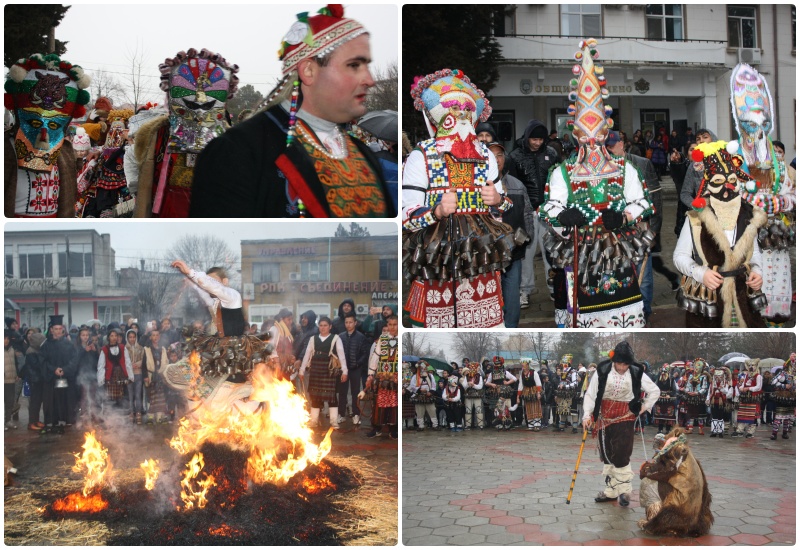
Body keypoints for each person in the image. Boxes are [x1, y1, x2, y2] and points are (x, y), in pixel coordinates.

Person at [191, 6, 392, 218]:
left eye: (366, 65)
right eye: (354, 65)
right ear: (308, 71)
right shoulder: (236, 152)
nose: (370, 80)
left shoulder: (364, 153)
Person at [539, 40, 653, 328]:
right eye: (585, 137)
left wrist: (625, 215)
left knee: (621, 311)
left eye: (598, 135)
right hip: (578, 249)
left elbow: (642, 202)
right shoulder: (562, 172)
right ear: (576, 134)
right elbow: (549, 207)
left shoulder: (623, 169)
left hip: (616, 252)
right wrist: (562, 218)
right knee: (580, 314)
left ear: (607, 133)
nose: (591, 142)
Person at [403, 68, 515, 328]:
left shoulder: (485, 154)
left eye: (467, 110)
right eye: (455, 109)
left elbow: (504, 207)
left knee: (487, 325)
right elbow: (406, 217)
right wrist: (437, 212)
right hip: (438, 257)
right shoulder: (422, 155)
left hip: (481, 255)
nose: (462, 115)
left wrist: (498, 200)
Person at [129, 48, 238, 217]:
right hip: (168, 210)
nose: (200, 98)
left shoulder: (229, 141)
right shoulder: (159, 135)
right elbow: (146, 183)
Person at [673, 140, 767, 328]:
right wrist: (700, 273)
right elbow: (679, 256)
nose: (727, 188)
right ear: (708, 185)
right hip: (709, 298)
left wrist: (757, 270)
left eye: (732, 181)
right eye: (718, 182)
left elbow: (754, 252)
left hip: (742, 295)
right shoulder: (695, 218)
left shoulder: (749, 215)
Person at [730, 64, 795, 326]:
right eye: (751, 123)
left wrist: (778, 201)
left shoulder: (778, 161)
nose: (757, 129)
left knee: (774, 297)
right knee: (746, 296)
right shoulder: (731, 157)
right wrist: (750, 201)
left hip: (773, 239)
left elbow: (791, 195)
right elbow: (723, 196)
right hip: (743, 238)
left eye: (763, 123)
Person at [4, 53, 90, 217]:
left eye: (53, 124)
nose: (44, 133)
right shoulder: (6, 149)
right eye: (35, 123)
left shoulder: (65, 152)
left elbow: (67, 200)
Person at [582, 341, 660, 506]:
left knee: (622, 453)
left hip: (625, 416)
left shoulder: (636, 372)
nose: (622, 367)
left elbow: (654, 391)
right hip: (603, 417)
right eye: (619, 363)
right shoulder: (602, 370)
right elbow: (591, 394)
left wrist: (644, 407)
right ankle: (611, 490)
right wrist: (587, 415)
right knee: (608, 453)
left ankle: (624, 492)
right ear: (613, 361)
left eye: (626, 364)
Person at [508, 119, 560, 304]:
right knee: (526, 253)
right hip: (526, 212)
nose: (537, 143)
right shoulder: (515, 156)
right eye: (534, 139)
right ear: (527, 137)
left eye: (541, 139)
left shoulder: (551, 153)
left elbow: (559, 180)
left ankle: (554, 286)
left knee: (551, 251)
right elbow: (512, 187)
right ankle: (525, 290)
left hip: (547, 210)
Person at [490, 141, 533, 324]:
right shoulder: (475, 187)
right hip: (487, 256)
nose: (496, 159)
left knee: (512, 296)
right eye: (491, 155)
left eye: (499, 155)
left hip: (513, 252)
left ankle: (511, 326)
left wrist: (526, 238)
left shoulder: (516, 185)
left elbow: (527, 214)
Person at [172, 262, 245, 337]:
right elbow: (205, 294)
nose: (208, 285)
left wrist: (190, 273)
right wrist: (190, 281)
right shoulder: (215, 301)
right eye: (208, 281)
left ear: (225, 281)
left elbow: (215, 288)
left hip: (233, 346)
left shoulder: (233, 295)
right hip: (220, 345)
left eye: (213, 281)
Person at [300, 316, 348, 430]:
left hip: (329, 371)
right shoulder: (313, 339)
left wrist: (344, 371)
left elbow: (342, 357)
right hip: (315, 370)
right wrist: (301, 370)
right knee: (315, 397)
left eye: (325, 325)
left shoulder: (336, 338)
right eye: (321, 325)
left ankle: (334, 422)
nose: (323, 328)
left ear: (330, 327)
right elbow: (307, 355)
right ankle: (314, 421)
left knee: (332, 397)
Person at [40, 315, 78, 432]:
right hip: (51, 379)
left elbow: (74, 360)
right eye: (55, 329)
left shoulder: (69, 344)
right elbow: (42, 361)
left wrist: (65, 369)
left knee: (64, 400)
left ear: (63, 329)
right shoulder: (46, 345)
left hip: (65, 378)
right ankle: (51, 423)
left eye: (59, 329)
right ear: (51, 330)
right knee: (51, 402)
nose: (57, 331)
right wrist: (53, 369)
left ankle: (64, 422)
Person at [365, 314, 399, 438]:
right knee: (379, 402)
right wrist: (370, 375)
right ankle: (377, 428)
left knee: (394, 403)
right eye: (390, 324)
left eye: (395, 324)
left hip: (395, 378)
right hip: (382, 377)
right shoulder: (382, 339)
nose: (392, 327)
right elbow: (375, 357)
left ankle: (393, 429)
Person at [339, 312, 369, 426]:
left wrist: (357, 364)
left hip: (356, 369)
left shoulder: (361, 337)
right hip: (343, 369)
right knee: (342, 392)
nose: (348, 324)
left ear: (355, 323)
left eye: (351, 322)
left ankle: (356, 415)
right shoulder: (340, 337)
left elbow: (364, 354)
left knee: (355, 392)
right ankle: (341, 415)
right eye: (346, 322)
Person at [97, 328, 133, 411]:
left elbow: (127, 363)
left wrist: (130, 376)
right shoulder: (104, 349)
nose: (114, 338)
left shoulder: (122, 348)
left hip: (121, 376)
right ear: (108, 337)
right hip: (110, 376)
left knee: (121, 398)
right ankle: (111, 418)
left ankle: (121, 418)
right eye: (112, 336)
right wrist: (101, 380)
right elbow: (101, 366)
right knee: (110, 398)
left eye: (115, 336)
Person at [19, 332, 47, 431]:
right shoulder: (31, 352)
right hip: (35, 380)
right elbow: (37, 366)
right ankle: (31, 422)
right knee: (34, 402)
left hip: (38, 379)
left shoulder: (36, 350)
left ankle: (36, 420)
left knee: (38, 401)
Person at [142, 329, 169, 423]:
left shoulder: (163, 349)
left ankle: (160, 417)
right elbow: (143, 364)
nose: (155, 337)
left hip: (161, 376)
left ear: (159, 336)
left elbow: (166, 362)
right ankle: (150, 417)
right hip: (151, 375)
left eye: (157, 335)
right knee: (151, 397)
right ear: (150, 337)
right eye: (153, 335)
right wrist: (145, 376)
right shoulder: (146, 349)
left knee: (161, 397)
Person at [733, 359, 762, 438]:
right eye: (749, 366)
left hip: (753, 398)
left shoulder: (758, 376)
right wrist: (741, 388)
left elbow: (758, 387)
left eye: (752, 365)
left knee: (753, 415)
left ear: (756, 366)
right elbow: (742, 385)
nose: (751, 367)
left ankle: (751, 432)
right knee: (742, 414)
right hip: (745, 398)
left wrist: (748, 388)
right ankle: (739, 430)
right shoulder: (746, 375)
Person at [770, 354, 795, 440]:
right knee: (779, 415)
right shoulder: (783, 373)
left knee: (788, 416)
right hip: (782, 397)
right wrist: (784, 386)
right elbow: (773, 382)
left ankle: (785, 433)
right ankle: (774, 433)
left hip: (792, 397)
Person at [408, 360, 438, 431]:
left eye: (424, 368)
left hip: (429, 396)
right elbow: (412, 386)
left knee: (432, 410)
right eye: (421, 368)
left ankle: (435, 425)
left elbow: (434, 385)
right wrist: (419, 390)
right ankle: (421, 425)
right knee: (419, 411)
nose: (423, 369)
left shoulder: (430, 376)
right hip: (419, 396)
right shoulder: (415, 376)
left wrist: (430, 392)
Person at [682, 362, 709, 434]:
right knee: (690, 413)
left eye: (698, 367)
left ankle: (700, 428)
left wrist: (697, 393)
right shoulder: (691, 376)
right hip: (691, 397)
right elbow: (687, 386)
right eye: (695, 367)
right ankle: (690, 428)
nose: (696, 369)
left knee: (700, 414)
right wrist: (688, 392)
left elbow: (704, 388)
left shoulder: (703, 377)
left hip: (699, 398)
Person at [707, 365, 732, 439]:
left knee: (720, 417)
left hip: (721, 401)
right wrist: (708, 399)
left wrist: (721, 389)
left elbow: (726, 391)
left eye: (720, 377)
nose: (718, 378)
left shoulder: (725, 383)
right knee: (714, 416)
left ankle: (720, 431)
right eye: (716, 376)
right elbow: (709, 392)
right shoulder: (712, 384)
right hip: (713, 401)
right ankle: (714, 431)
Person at [125, 328, 145, 424]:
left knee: (138, 394)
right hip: (129, 375)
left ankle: (138, 413)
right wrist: (129, 366)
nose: (132, 339)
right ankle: (131, 412)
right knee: (130, 395)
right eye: (130, 337)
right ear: (127, 338)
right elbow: (124, 361)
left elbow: (142, 359)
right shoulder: (124, 348)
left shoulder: (140, 348)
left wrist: (137, 364)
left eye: (133, 337)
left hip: (138, 374)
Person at [269, 308, 295, 378]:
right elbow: (270, 347)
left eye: (291, 319)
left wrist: (291, 357)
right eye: (288, 319)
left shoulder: (287, 333)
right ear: (281, 319)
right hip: (277, 365)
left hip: (285, 366)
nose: (290, 322)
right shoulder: (275, 329)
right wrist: (277, 363)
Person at [517, 359, 543, 431]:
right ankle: (531, 425)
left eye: (524, 365)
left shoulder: (534, 373)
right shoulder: (522, 374)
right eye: (522, 366)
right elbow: (520, 385)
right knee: (528, 407)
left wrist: (538, 393)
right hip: (526, 392)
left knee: (535, 406)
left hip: (534, 391)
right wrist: (518, 396)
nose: (523, 367)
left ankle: (537, 425)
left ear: (528, 365)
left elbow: (538, 383)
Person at [653, 364, 676, 434]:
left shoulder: (671, 379)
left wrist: (670, 395)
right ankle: (660, 429)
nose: (664, 373)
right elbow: (655, 387)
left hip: (668, 400)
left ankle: (668, 429)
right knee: (659, 414)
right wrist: (657, 394)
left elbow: (675, 390)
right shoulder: (658, 378)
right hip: (660, 399)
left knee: (668, 414)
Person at [460, 361, 484, 429]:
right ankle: (468, 425)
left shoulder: (479, 376)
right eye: (470, 368)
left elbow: (480, 386)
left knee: (478, 409)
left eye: (473, 368)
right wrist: (468, 384)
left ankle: (480, 425)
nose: (472, 369)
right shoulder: (466, 376)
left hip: (477, 395)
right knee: (468, 410)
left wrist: (473, 385)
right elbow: (464, 386)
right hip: (468, 395)